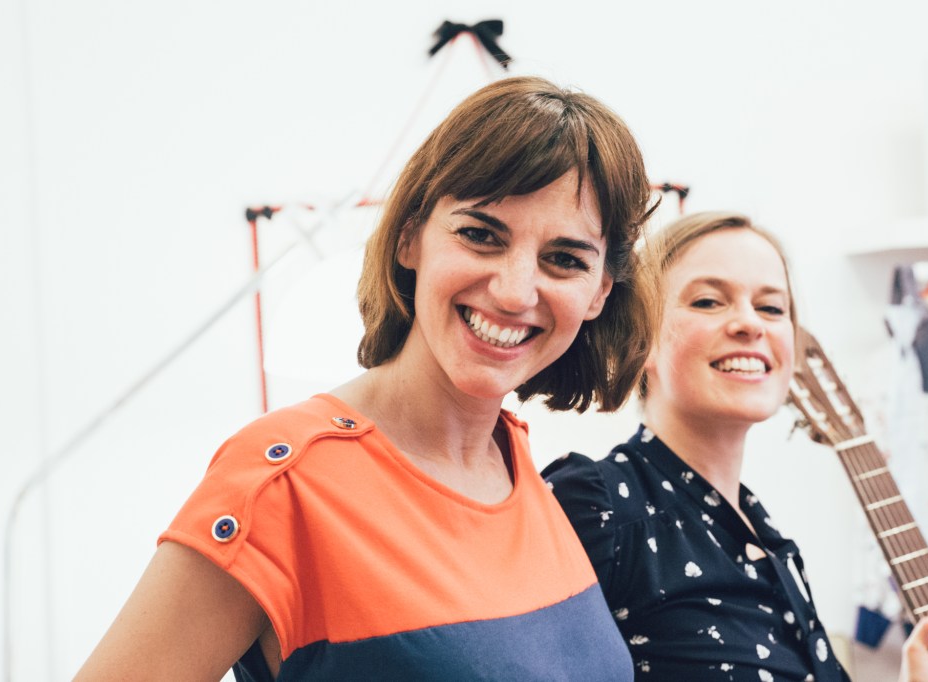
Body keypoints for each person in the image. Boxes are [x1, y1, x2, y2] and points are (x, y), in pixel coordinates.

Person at [73, 76, 658, 681]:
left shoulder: (513, 458)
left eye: (563, 259)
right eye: (480, 235)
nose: (514, 291)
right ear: (410, 238)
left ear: (599, 292)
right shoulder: (283, 481)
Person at [543, 211, 928, 681]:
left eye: (772, 308)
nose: (749, 323)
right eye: (708, 301)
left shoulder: (769, 542)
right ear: (641, 337)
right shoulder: (594, 504)